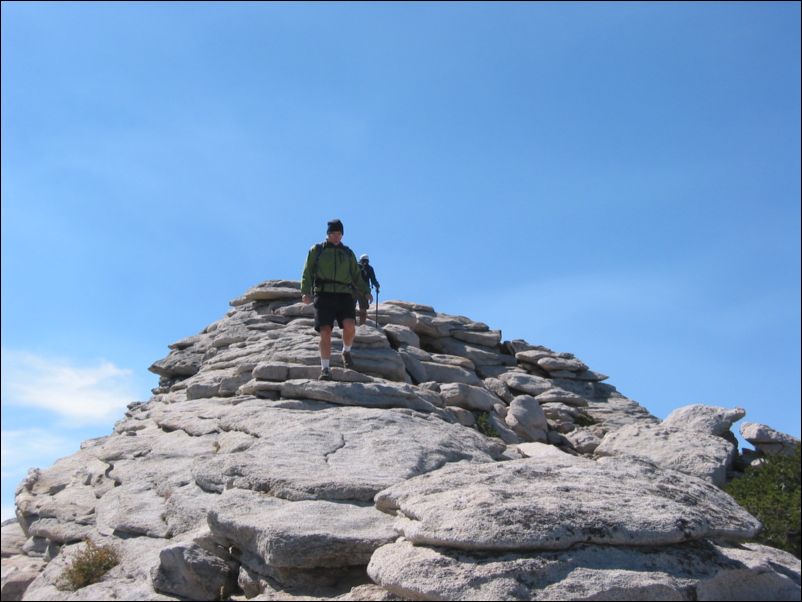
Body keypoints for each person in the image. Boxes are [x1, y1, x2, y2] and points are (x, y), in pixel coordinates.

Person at [301, 219, 372, 380]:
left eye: (339, 234)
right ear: (328, 234)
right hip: (323, 294)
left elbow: (356, 274)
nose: (336, 237)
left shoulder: (347, 253)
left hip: (344, 294)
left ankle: (346, 352)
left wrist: (366, 291)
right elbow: (308, 271)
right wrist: (305, 291)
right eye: (333, 233)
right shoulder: (317, 250)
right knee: (325, 332)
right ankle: (325, 369)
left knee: (350, 327)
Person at [355, 254, 380, 326]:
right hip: (364, 291)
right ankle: (362, 325)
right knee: (363, 309)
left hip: (354, 289)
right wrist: (377, 286)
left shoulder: (356, 266)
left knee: (352, 308)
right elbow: (373, 279)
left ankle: (354, 325)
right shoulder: (369, 268)